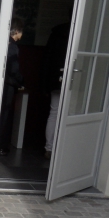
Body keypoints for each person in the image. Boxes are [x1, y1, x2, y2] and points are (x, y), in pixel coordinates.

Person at [42, 22, 70, 159]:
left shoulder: (56, 34)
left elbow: (47, 59)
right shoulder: (82, 31)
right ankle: (66, 148)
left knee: (53, 113)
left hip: (55, 79)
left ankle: (49, 148)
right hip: (74, 78)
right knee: (71, 114)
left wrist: (45, 84)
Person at [0, 18, 24, 157]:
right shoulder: (12, 46)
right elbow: (13, 69)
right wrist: (21, 81)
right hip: (8, 85)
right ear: (17, 31)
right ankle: (0, 146)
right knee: (4, 115)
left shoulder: (2, 43)